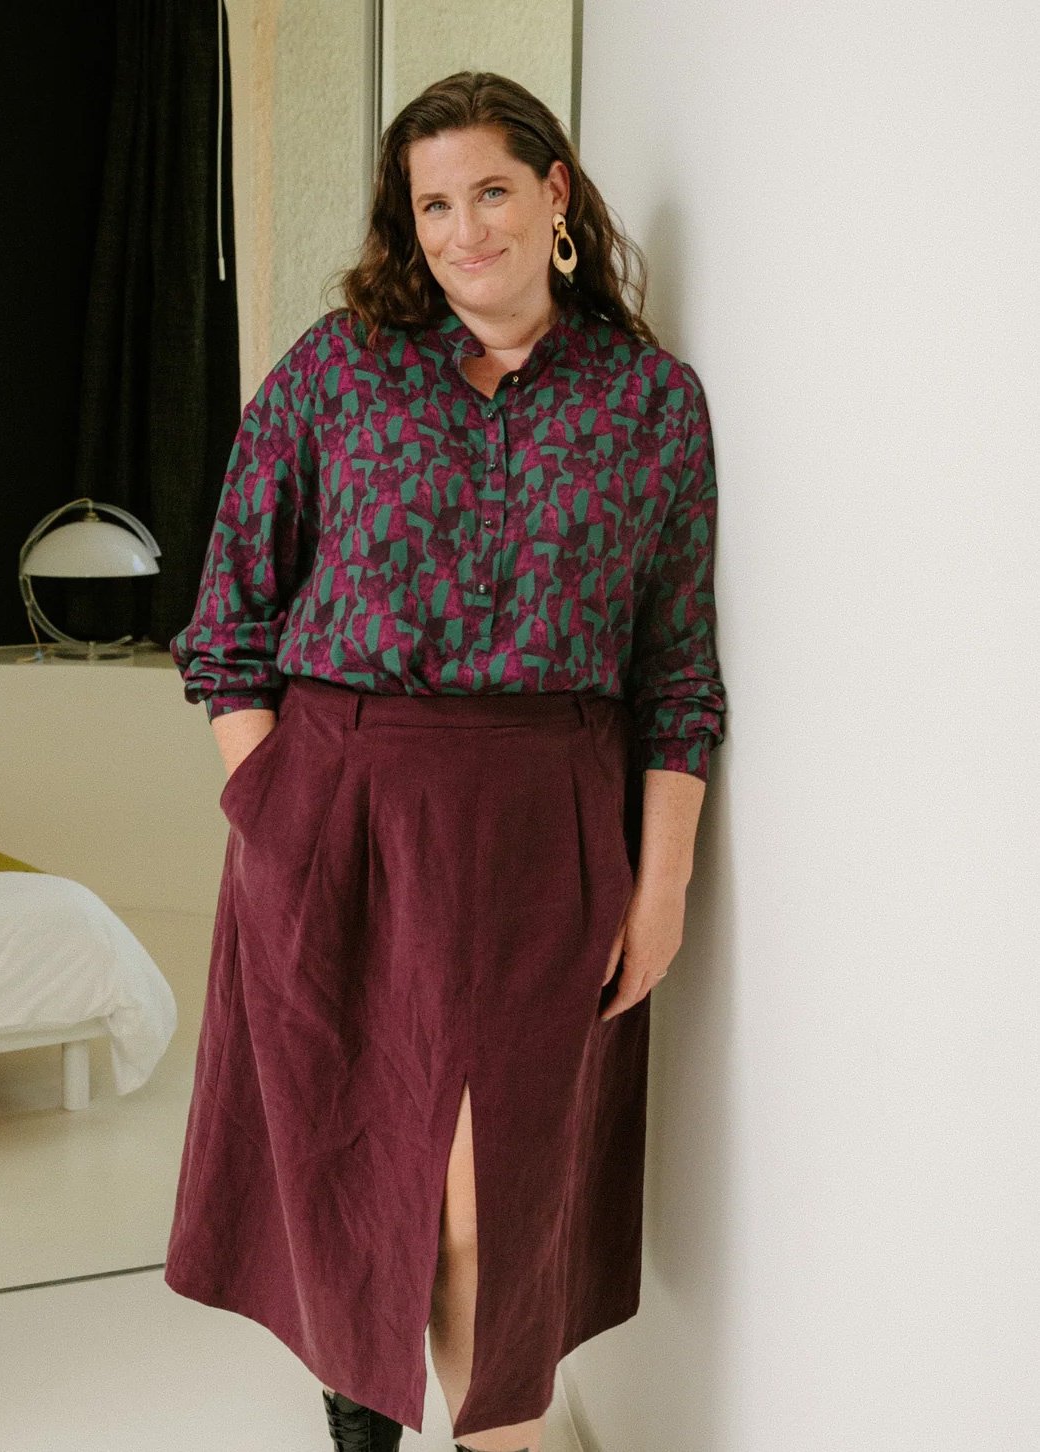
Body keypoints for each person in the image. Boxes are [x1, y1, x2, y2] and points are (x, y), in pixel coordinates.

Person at [164, 70, 727, 1452]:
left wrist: (660, 886)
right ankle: (358, 1409)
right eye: (431, 205)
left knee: (491, 1201)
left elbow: (676, 671)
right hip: (340, 805)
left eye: (489, 191)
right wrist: (271, 799)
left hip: (544, 826)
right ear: (403, 223)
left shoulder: (650, 402)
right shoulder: (337, 369)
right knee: (354, 1157)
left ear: (554, 194)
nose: (463, 230)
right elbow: (227, 616)